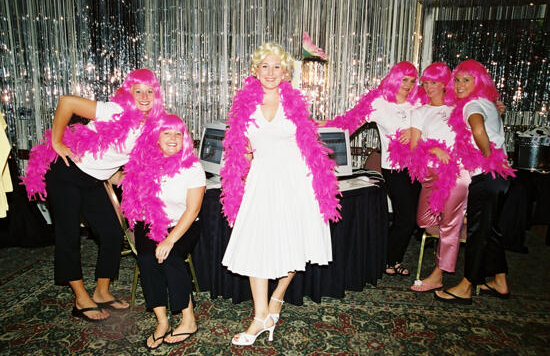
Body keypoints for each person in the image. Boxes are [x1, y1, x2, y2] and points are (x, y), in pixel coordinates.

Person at [220, 42, 341, 346]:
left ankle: (275, 301)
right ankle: (260, 315)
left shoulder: (295, 104)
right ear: (255, 70)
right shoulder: (244, 105)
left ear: (286, 72)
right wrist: (241, 163)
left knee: (294, 244)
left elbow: (310, 141)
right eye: (265, 66)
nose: (271, 72)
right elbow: (241, 148)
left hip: (296, 181)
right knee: (255, 246)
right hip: (262, 181)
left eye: (277, 67)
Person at [22, 69, 165, 322]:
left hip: (94, 180)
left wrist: (119, 176)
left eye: (150, 91)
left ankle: (101, 292)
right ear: (128, 93)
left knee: (111, 232)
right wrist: (57, 142)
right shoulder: (113, 111)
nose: (144, 96)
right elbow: (67, 102)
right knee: (68, 235)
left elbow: (123, 159)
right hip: (67, 172)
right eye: (138, 90)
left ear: (157, 95)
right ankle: (80, 298)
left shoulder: (151, 128)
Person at [325, 61, 421, 276]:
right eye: (404, 79)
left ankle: (393, 258)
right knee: (405, 217)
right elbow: (350, 124)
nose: (408, 85)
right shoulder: (379, 102)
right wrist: (325, 134)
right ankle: (389, 259)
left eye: (413, 81)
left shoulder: (418, 102)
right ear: (395, 78)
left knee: (410, 217)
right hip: (394, 168)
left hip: (419, 167)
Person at [120, 114, 205, 349]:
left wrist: (169, 240)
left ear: (185, 139)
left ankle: (189, 320)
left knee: (169, 256)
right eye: (167, 132)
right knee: (147, 258)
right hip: (150, 222)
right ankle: (162, 321)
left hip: (184, 224)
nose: (173, 138)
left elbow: (193, 209)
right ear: (156, 138)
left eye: (178, 133)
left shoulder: (193, 167)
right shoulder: (145, 164)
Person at [434, 60, 514, 304]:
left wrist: (490, 160)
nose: (459, 85)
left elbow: (478, 131)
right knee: (491, 230)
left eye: (466, 80)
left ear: (478, 82)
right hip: (499, 179)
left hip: (487, 176)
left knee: (479, 232)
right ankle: (500, 281)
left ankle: (466, 285)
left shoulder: (471, 104)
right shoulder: (487, 103)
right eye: (457, 80)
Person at [401, 62, 471, 292]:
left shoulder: (459, 108)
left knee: (448, 226)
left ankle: (438, 275)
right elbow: (414, 145)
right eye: (426, 83)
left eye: (434, 83)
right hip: (430, 176)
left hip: (456, 174)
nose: (428, 87)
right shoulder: (419, 111)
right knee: (423, 221)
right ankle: (463, 223)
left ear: (444, 84)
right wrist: (433, 149)